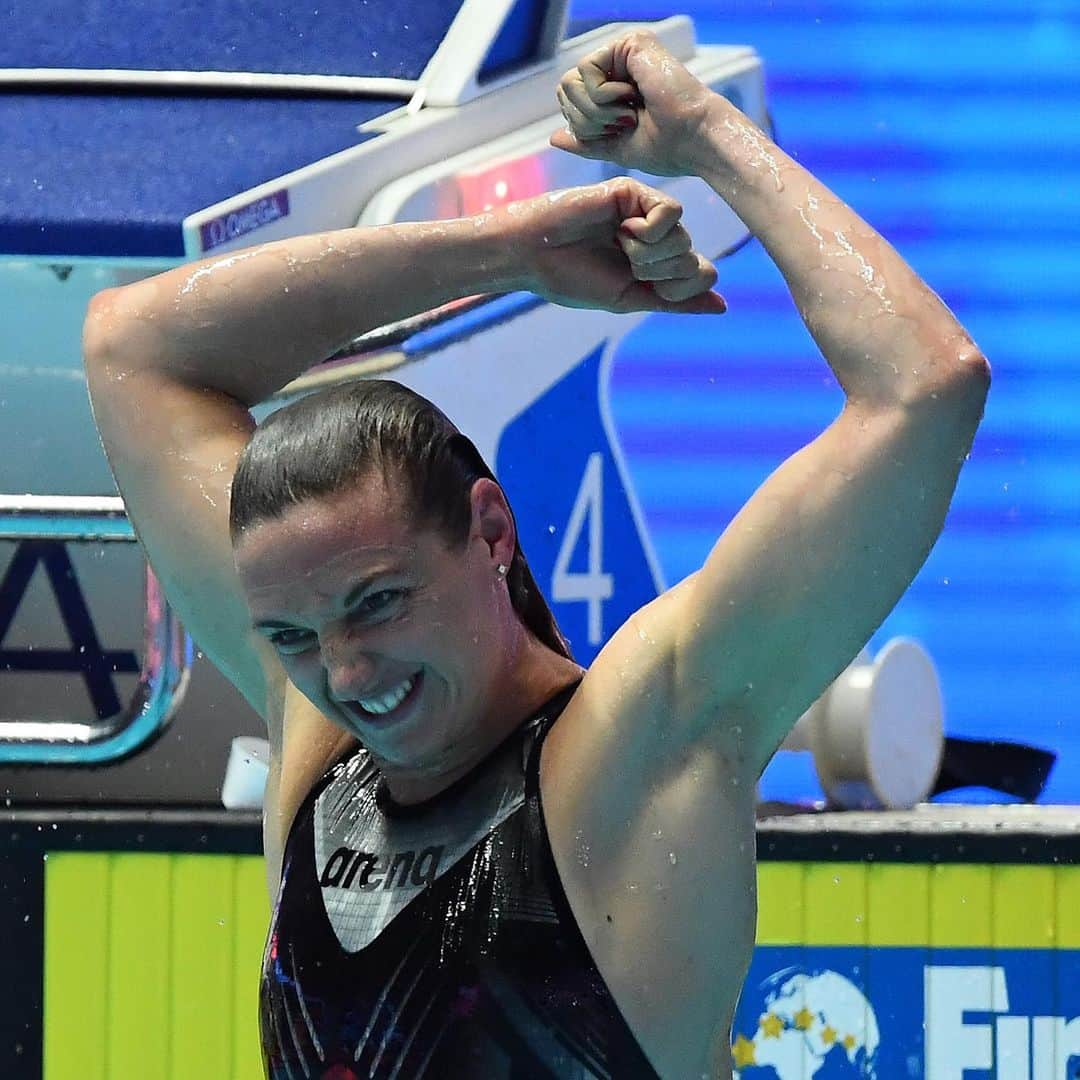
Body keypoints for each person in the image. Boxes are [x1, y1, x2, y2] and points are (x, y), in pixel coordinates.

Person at [82, 29, 989, 1080]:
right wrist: (505, 251)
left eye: (378, 604)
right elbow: (132, 350)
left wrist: (708, 139)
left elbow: (925, 389)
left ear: (491, 531)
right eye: (291, 635)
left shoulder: (635, 753)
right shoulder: (322, 749)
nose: (345, 676)